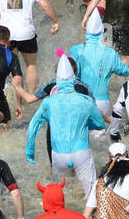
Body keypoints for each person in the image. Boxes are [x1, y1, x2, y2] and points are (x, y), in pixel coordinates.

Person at [25, 55, 108, 196]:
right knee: (92, 196)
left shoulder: (48, 103)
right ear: (73, 79)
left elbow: (33, 125)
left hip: (58, 154)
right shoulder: (85, 100)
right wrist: (83, 124)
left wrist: (30, 150)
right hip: (81, 153)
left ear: (57, 79)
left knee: (59, 194)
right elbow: (100, 124)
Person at [69, 11, 129, 121]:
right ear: (102, 32)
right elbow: (125, 71)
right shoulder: (109, 53)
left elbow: (69, 72)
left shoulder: (75, 50)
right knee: (101, 136)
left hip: (80, 99)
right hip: (102, 101)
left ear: (86, 31)